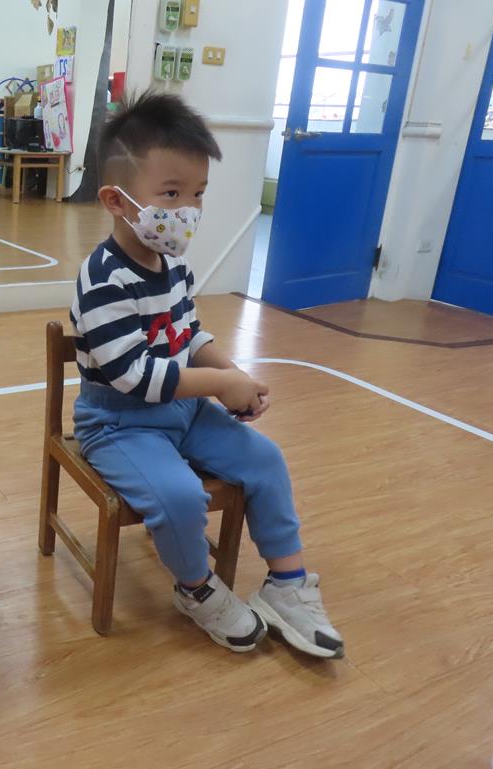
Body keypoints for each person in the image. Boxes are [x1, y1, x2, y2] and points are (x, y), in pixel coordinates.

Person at [70, 92, 344, 659]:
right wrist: (220, 387)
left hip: (184, 412)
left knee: (265, 459)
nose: (188, 209)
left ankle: (287, 583)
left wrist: (232, 373)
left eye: (197, 193)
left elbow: (189, 335)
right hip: (119, 426)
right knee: (179, 496)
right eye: (171, 194)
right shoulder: (102, 278)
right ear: (116, 200)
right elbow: (131, 375)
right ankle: (196, 588)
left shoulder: (173, 265)